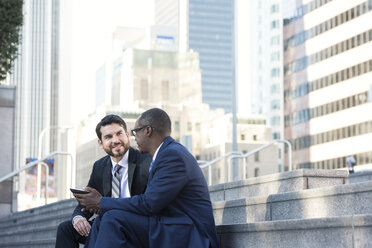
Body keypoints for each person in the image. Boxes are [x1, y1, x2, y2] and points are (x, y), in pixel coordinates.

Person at [74, 108, 218, 248]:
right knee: (104, 219)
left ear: (148, 131)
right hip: (168, 225)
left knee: (113, 218)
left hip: (190, 234)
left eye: (135, 132)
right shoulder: (164, 154)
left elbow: (149, 203)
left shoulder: (172, 156)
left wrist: (102, 202)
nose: (134, 137)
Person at [55, 114, 151, 248]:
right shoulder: (100, 166)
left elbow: (148, 202)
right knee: (66, 229)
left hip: (135, 225)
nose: (116, 140)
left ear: (127, 134)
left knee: (106, 219)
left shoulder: (146, 161)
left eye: (119, 134)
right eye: (108, 137)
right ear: (100, 143)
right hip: (107, 223)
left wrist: (105, 205)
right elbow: (87, 200)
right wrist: (78, 218)